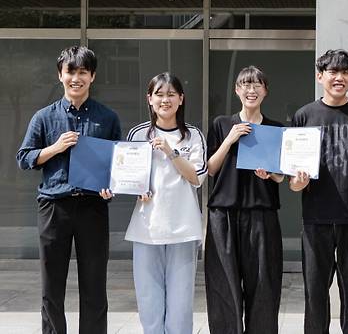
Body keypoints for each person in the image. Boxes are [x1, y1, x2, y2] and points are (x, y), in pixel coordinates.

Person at [16, 45, 121, 334]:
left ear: (93, 76)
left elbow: (119, 165)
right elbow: (24, 158)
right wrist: (55, 148)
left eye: (83, 72)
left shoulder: (107, 118)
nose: (76, 78)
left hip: (93, 207)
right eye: (70, 72)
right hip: (54, 206)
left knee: (95, 285)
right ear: (60, 75)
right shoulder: (43, 117)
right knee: (51, 287)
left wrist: (111, 187)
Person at [289, 49, 348, 334]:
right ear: (320, 76)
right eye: (333, 72)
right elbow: (293, 179)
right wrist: (298, 183)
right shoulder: (304, 116)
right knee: (315, 293)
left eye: (345, 72)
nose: (339, 78)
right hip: (315, 218)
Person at [122, 72, 207, 334]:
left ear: (181, 99)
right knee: (148, 300)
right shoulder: (138, 134)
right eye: (159, 94)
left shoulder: (192, 135)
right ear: (149, 99)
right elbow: (127, 177)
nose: (165, 99)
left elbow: (197, 178)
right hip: (147, 227)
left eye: (171, 94)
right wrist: (137, 190)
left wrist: (171, 152)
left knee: (181, 303)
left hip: (183, 228)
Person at [205, 66, 285, 334]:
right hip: (223, 215)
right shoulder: (221, 124)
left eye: (257, 85)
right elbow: (211, 169)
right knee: (223, 287)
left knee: (264, 286)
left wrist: (270, 174)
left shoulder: (276, 128)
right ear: (237, 90)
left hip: (262, 215)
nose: (251, 90)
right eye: (246, 85)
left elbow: (281, 177)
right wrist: (229, 140)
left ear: (265, 91)